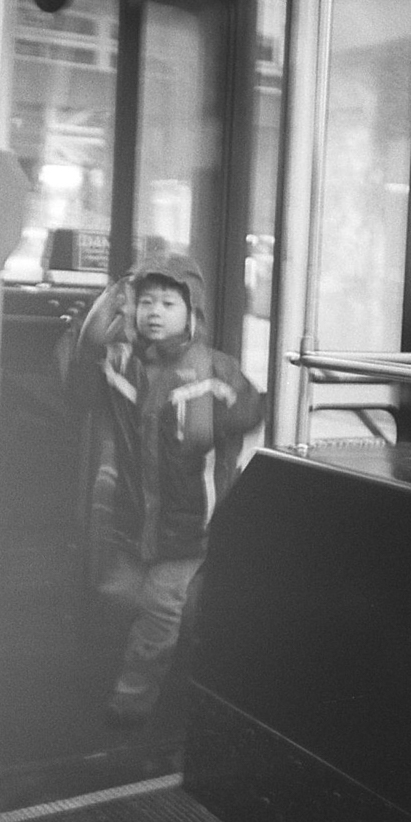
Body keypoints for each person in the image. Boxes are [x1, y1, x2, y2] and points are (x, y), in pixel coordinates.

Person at [73, 250, 264, 727]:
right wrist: (110, 304)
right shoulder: (121, 365)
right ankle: (175, 667)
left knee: (160, 609)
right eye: (146, 302)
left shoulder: (213, 371)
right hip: (134, 521)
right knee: (117, 595)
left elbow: (250, 410)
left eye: (168, 304)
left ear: (191, 314)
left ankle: (131, 703)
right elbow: (79, 373)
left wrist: (213, 419)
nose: (154, 312)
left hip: (189, 528)